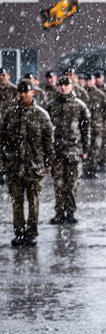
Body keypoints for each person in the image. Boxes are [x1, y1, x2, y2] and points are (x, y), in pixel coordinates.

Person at [0, 79, 54, 246]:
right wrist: (3, 161)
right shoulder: (10, 114)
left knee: (33, 203)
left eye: (26, 91)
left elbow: (48, 141)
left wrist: (48, 162)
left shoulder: (41, 115)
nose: (22, 95)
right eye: (20, 92)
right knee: (17, 202)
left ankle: (31, 233)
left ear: (33, 92)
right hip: (14, 166)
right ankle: (19, 232)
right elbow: (2, 140)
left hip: (34, 167)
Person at [46, 77, 90, 225]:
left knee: (71, 184)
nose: (63, 87)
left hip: (74, 149)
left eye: (66, 85)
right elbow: (46, 130)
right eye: (60, 85)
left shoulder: (79, 105)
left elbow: (85, 129)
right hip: (57, 150)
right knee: (58, 183)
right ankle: (59, 212)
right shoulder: (51, 105)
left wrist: (85, 148)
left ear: (72, 87)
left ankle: (70, 212)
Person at [80, 73, 106, 178]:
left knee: (96, 148)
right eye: (86, 80)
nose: (88, 82)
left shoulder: (100, 95)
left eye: (90, 80)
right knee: (84, 148)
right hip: (84, 126)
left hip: (96, 126)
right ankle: (85, 170)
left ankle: (93, 169)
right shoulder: (81, 94)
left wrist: (105, 125)